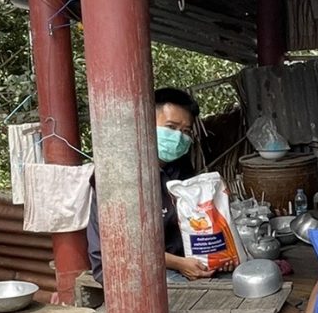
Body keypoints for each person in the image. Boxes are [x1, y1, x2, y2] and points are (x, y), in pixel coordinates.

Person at [85, 87, 219, 282]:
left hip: (177, 261)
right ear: (146, 124)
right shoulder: (119, 172)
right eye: (171, 127)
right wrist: (180, 264)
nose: (179, 137)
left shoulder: (179, 168)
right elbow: (127, 247)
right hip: (127, 268)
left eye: (186, 131)